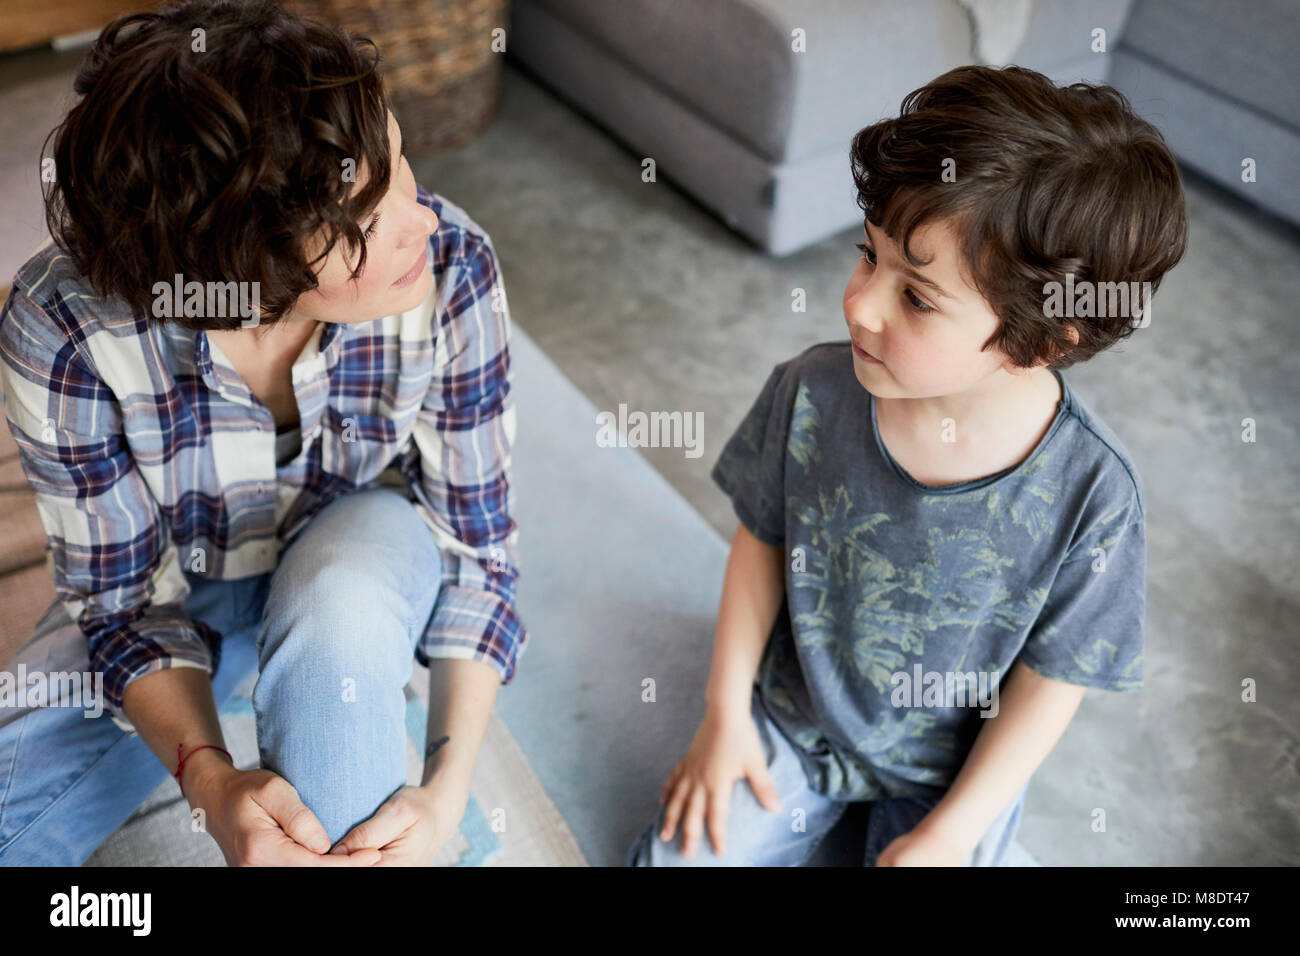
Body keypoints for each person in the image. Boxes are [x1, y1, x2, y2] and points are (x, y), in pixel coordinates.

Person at [0, 0, 525, 866]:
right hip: (178, 581)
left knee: (336, 631)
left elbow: (476, 554)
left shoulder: (454, 265)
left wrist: (443, 793)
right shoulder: (61, 326)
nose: (422, 219)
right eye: (366, 216)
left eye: (399, 167)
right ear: (244, 262)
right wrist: (211, 785)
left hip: (358, 550)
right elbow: (125, 600)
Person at [627, 64, 1187, 866]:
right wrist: (724, 714)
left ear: (1041, 340)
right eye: (868, 255)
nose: (859, 303)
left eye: (917, 297)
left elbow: (1053, 679)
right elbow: (761, 541)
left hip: (951, 776)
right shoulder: (812, 391)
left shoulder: (1095, 496)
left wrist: (951, 833)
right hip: (799, 717)